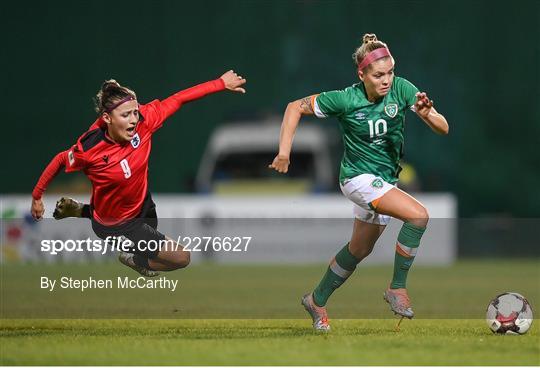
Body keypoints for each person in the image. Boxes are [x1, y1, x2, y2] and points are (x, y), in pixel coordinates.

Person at [269, 33, 448, 331]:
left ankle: (316, 300)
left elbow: (443, 128)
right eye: (379, 75)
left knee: (358, 250)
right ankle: (397, 288)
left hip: (384, 180)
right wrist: (284, 152)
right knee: (418, 216)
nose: (387, 80)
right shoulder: (345, 98)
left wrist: (429, 114)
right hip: (357, 179)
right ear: (361, 74)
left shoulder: (403, 89)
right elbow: (293, 107)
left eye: (390, 72)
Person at [31, 70, 247, 276]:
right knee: (181, 257)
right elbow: (60, 159)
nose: (134, 119)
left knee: (151, 228)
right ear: (107, 118)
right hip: (116, 225)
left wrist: (220, 83)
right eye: (126, 115)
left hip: (142, 205)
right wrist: (37, 196)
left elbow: (179, 99)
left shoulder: (145, 120)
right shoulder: (89, 149)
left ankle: (81, 211)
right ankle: (133, 260)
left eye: (135, 112)